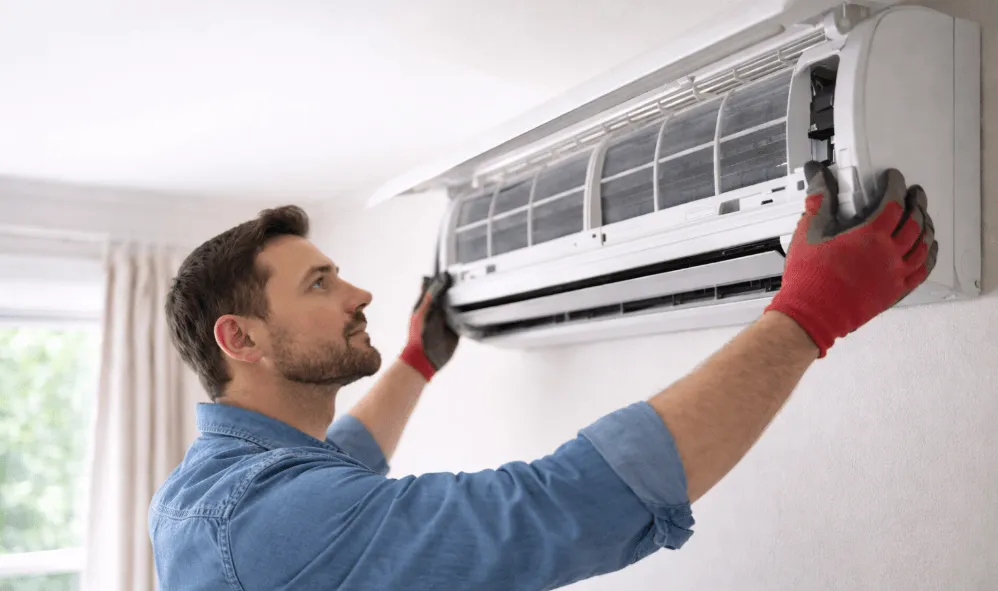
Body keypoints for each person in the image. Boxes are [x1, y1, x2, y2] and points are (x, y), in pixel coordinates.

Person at [149, 161, 936, 590]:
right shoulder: (267, 522)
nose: (359, 293)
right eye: (320, 283)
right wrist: (811, 312)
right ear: (240, 338)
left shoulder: (206, 491)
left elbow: (343, 460)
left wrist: (420, 360)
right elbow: (553, 509)